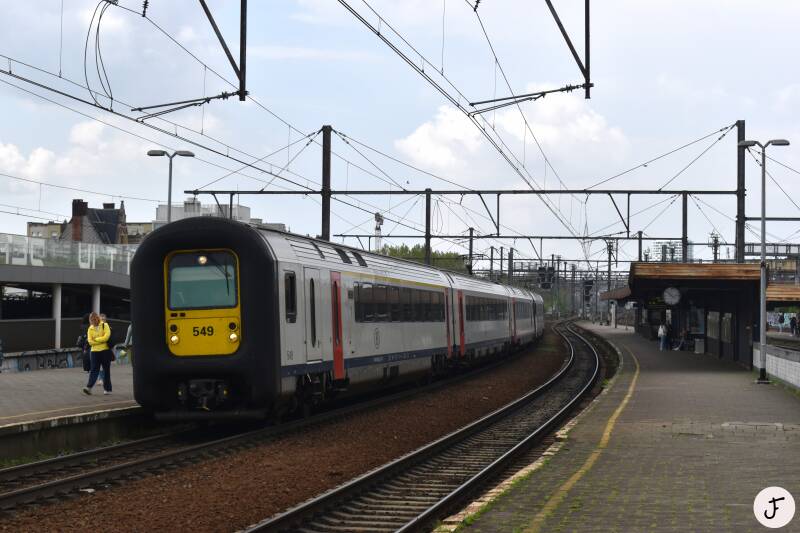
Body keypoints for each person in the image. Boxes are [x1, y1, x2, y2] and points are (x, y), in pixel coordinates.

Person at [82, 312, 112, 395]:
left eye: (93, 320)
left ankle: (107, 389)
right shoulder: (90, 328)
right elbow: (90, 341)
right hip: (94, 352)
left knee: (106, 370)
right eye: (91, 320)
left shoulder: (104, 325)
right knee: (94, 370)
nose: (92, 322)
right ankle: (89, 388)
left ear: (96, 319)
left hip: (105, 351)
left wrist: (96, 339)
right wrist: (99, 340)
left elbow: (106, 337)